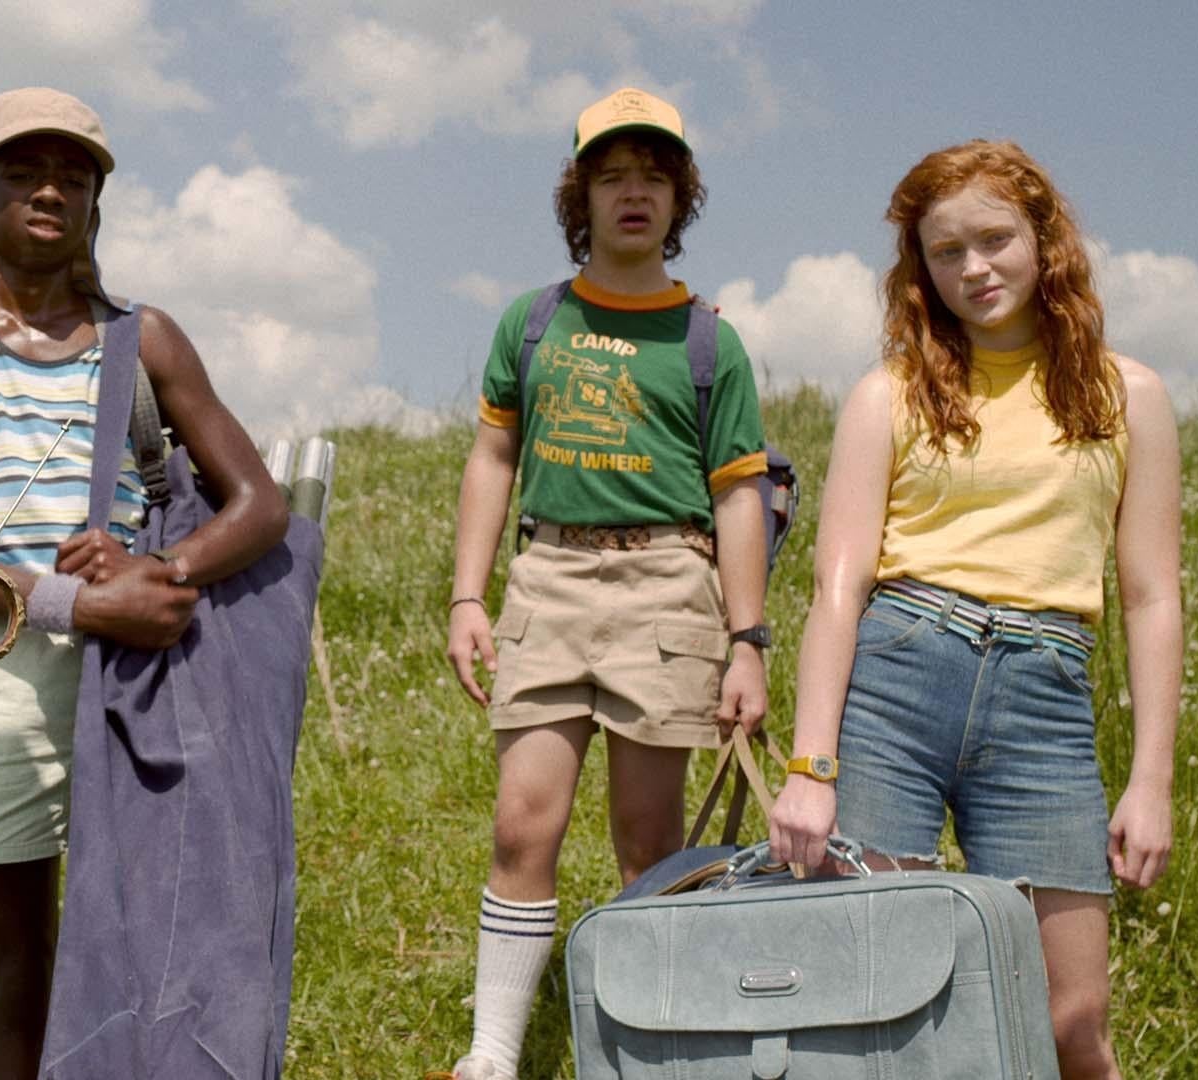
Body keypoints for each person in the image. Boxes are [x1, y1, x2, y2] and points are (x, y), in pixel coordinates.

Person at [0, 87, 285, 1079]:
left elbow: (260, 505)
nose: (51, 192)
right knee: (17, 960)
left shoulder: (144, 341)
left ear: (97, 203)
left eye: (74, 176)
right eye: (24, 173)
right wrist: (81, 603)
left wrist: (163, 571)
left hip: (135, 677)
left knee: (150, 942)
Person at [768, 139, 1178, 1078]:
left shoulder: (1131, 396)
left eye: (994, 239)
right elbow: (837, 591)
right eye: (946, 252)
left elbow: (1153, 597)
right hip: (896, 685)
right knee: (876, 1008)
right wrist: (810, 767)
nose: (974, 268)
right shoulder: (887, 395)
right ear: (921, 269)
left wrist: (1151, 780)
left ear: (1045, 239)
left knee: (1072, 1021)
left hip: (1044, 701)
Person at [436, 88, 770, 1080]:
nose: (634, 194)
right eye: (612, 176)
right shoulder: (534, 321)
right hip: (548, 580)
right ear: (579, 196)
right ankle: (493, 1053)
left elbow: (740, 498)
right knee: (520, 825)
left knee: (650, 841)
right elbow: (493, 457)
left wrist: (747, 643)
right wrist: (468, 596)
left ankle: (656, 1052)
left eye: (655, 178)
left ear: (680, 198)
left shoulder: (710, 341)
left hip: (669, 584)